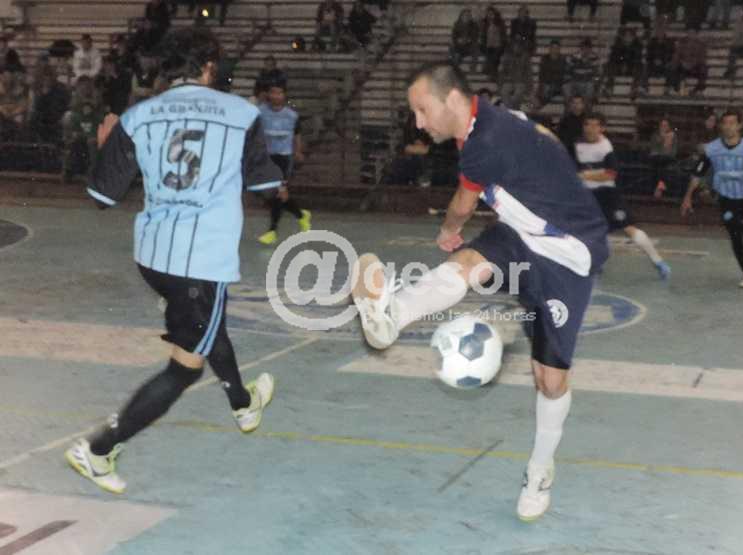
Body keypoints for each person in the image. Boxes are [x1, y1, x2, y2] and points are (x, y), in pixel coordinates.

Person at [350, 62, 609, 521]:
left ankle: (540, 468)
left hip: (568, 254)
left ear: (451, 99)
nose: (418, 123)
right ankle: (391, 316)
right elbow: (541, 139)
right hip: (520, 234)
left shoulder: (485, 140)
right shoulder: (491, 122)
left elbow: (461, 206)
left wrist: (448, 231)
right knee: (468, 264)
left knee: (550, 381)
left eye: (422, 110)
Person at [64, 27, 284, 493]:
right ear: (209, 66)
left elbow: (102, 196)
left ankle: (243, 404)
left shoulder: (137, 115)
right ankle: (98, 449)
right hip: (200, 258)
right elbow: (267, 186)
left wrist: (105, 146)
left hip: (153, 257)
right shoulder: (243, 114)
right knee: (186, 366)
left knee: (206, 324)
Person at [576, 112, 671, 279]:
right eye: (587, 124)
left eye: (595, 125)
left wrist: (585, 176)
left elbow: (610, 174)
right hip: (587, 196)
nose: (590, 129)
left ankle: (658, 262)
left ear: (602, 128)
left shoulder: (605, 147)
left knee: (629, 228)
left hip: (607, 195)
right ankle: (596, 263)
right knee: (586, 231)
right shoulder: (577, 144)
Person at [681, 109, 743, 288]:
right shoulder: (712, 149)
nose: (728, 127)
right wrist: (687, 197)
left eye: (732, 123)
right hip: (726, 198)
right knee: (735, 233)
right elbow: (697, 174)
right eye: (725, 123)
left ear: (739, 126)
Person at [256, 81, 311, 245]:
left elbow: (297, 134)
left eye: (279, 93)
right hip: (267, 157)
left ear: (284, 95)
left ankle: (272, 231)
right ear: (268, 94)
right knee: (274, 195)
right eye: (273, 92)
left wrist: (298, 151)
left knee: (279, 194)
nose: (276, 96)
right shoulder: (261, 112)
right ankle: (301, 215)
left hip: (283, 159)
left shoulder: (291, 116)